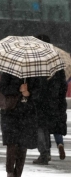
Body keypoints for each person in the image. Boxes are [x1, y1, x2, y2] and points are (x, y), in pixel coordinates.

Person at [0, 72, 41, 177]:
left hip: (28, 112)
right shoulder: (8, 71)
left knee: (23, 144)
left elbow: (40, 91)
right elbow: (3, 88)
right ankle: (10, 170)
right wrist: (18, 89)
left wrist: (28, 93)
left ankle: (18, 174)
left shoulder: (35, 72)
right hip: (10, 111)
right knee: (12, 142)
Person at [32, 34, 67, 164]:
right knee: (53, 124)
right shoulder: (57, 60)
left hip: (40, 100)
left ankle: (45, 153)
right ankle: (59, 144)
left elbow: (35, 82)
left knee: (41, 127)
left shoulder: (37, 60)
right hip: (55, 100)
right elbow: (63, 84)